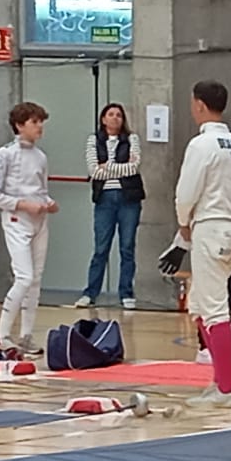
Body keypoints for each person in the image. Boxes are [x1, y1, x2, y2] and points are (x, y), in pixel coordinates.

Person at [174, 81, 231, 407]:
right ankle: (220, 382)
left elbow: (186, 193)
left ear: (199, 104)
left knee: (215, 310)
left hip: (211, 229)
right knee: (200, 306)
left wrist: (183, 223)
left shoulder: (202, 144)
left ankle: (226, 390)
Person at [0, 102, 57, 356]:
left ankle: (26, 336)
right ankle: (2, 335)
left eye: (41, 122)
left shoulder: (41, 156)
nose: (40, 127)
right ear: (19, 125)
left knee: (35, 280)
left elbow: (41, 191)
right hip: (16, 222)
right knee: (24, 277)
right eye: (34, 122)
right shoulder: (4, 154)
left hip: (40, 223)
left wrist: (49, 204)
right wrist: (24, 205)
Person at [80, 102, 143, 310]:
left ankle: (126, 293)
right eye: (111, 114)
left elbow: (134, 168)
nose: (115, 118)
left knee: (127, 247)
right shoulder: (94, 140)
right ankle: (90, 293)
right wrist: (117, 168)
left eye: (119, 115)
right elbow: (94, 171)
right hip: (104, 199)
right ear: (103, 119)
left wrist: (107, 166)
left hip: (129, 198)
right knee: (101, 248)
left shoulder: (132, 139)